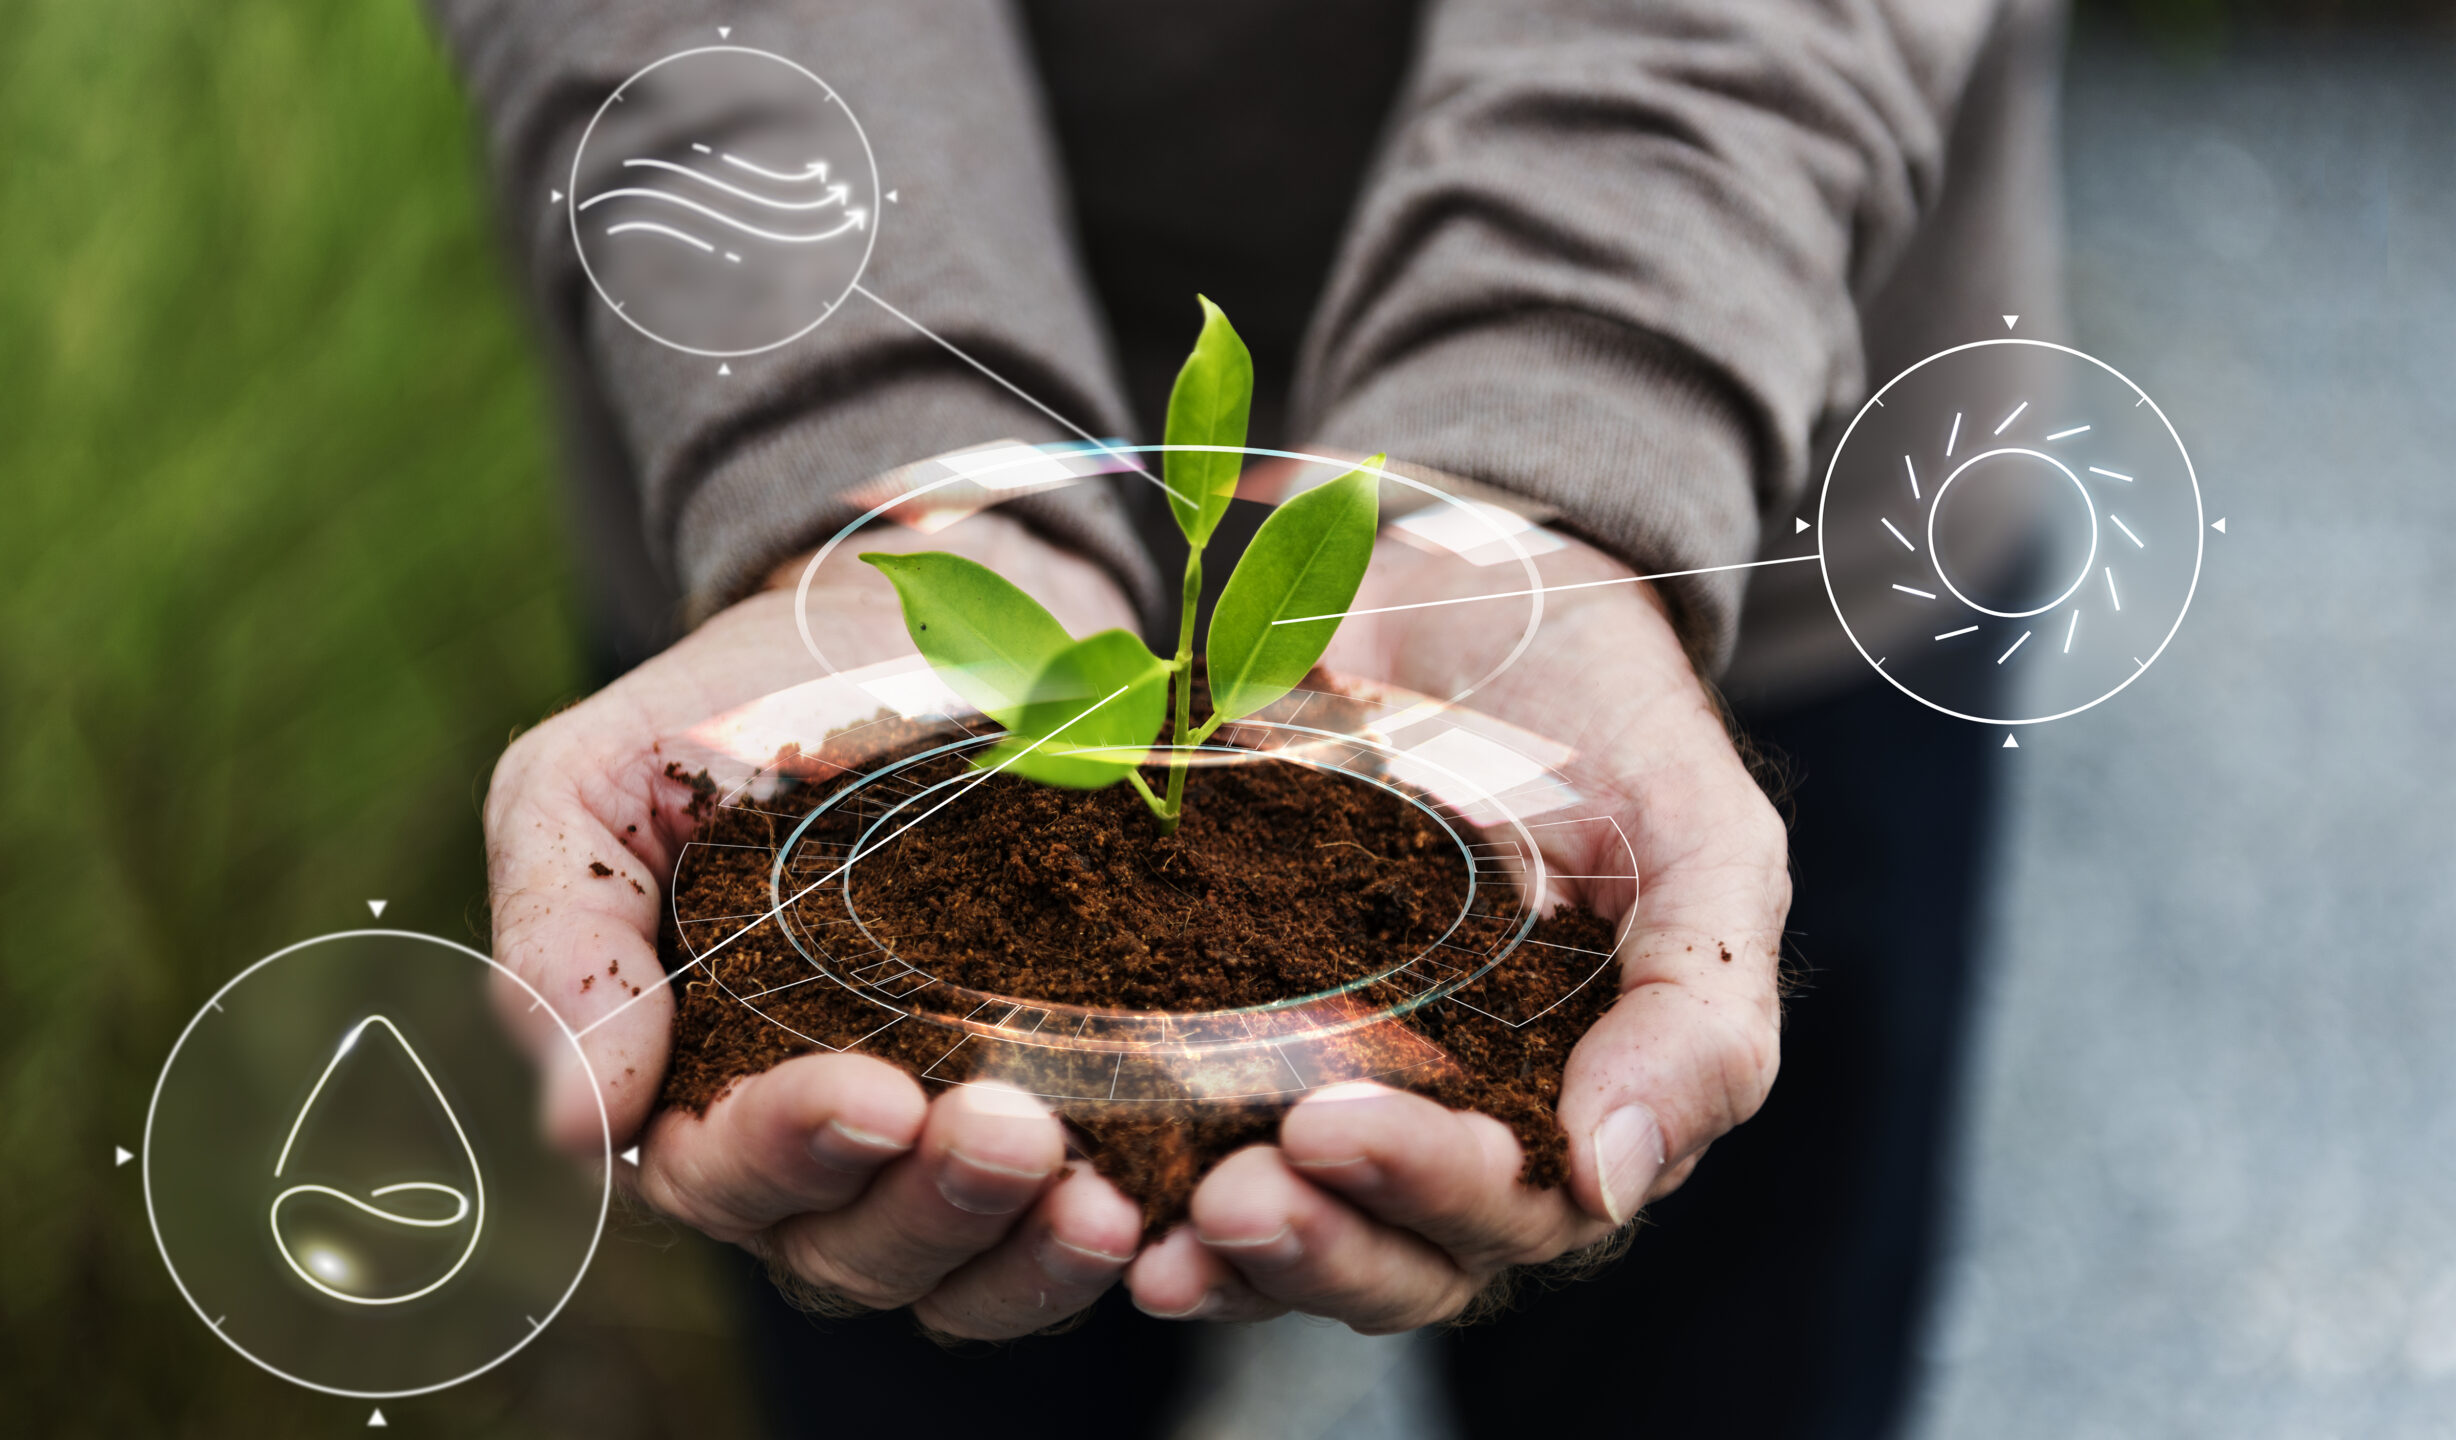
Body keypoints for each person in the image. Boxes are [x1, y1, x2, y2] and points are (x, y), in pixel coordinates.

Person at [436, 2, 2065, 1434]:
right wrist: (858, 421)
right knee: (915, 1286)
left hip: (1734, 429)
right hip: (798, 541)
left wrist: (1584, 397)